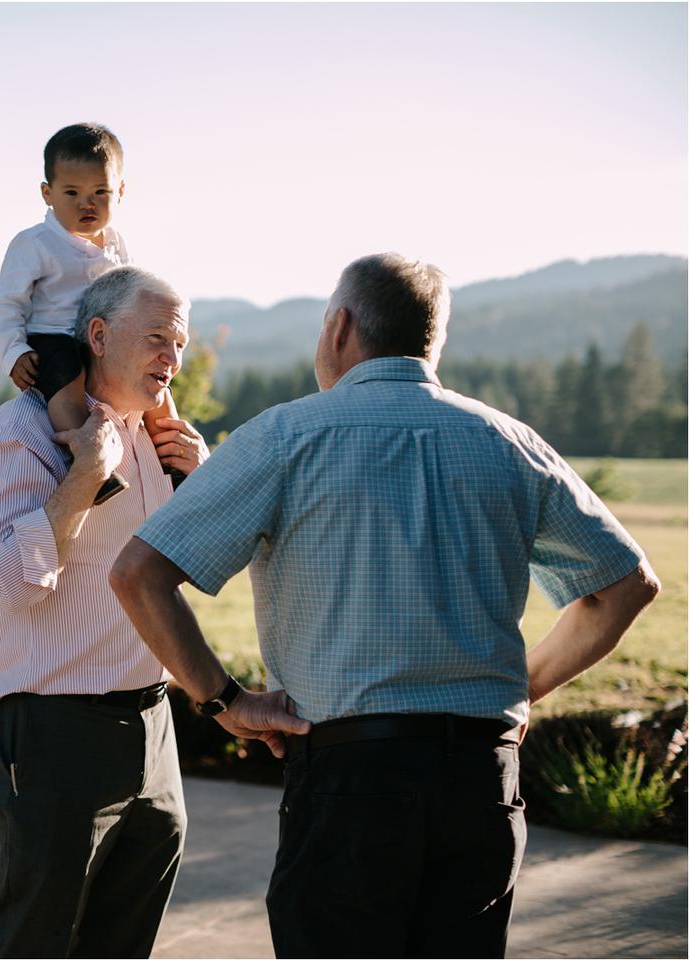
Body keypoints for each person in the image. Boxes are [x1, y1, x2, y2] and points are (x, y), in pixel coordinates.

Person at [111, 253, 661, 958]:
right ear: (431, 341)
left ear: (339, 327)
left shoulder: (285, 436)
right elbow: (626, 584)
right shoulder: (510, 442)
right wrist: (525, 687)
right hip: (480, 780)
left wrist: (224, 700)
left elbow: (138, 574)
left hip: (350, 782)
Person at [0, 265, 213, 958]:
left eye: (182, 343)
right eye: (158, 337)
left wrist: (206, 476)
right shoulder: (23, 436)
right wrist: (83, 478)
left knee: (121, 945)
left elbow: (180, 574)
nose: (172, 358)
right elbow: (12, 589)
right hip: (53, 734)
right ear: (98, 335)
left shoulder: (156, 439)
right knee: (37, 944)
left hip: (153, 727)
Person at [0, 122, 182, 506]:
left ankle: (172, 464)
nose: (86, 203)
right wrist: (14, 353)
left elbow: (133, 291)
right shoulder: (34, 245)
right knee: (67, 382)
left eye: (100, 192)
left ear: (120, 191)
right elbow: (4, 307)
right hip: (53, 336)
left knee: (160, 395)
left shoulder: (117, 245)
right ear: (48, 193)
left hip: (106, 337)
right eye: (71, 192)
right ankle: (88, 463)